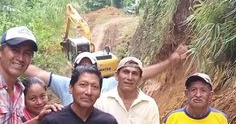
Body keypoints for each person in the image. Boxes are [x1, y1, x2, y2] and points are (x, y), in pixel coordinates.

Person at [26, 44, 189, 106]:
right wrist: (13, 65)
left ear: (97, 71)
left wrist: (169, 62)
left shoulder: (109, 84)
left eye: (89, 67)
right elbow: (37, 73)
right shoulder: (64, 84)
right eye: (81, 66)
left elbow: (140, 74)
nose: (85, 70)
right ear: (74, 71)